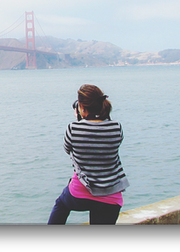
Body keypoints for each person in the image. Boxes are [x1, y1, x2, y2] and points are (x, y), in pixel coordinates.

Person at [48, 84, 129, 225]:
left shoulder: (73, 128)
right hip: (111, 197)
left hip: (80, 193)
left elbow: (68, 149)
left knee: (61, 205)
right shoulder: (117, 127)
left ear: (82, 108)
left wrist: (80, 121)